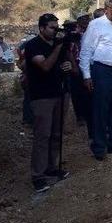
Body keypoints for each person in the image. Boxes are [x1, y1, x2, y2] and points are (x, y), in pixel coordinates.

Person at [80, 0, 112, 161]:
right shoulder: (96, 25)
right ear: (106, 9)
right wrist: (87, 75)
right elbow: (86, 51)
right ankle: (99, 147)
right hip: (103, 71)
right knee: (101, 110)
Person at [25, 13, 72, 193]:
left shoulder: (58, 44)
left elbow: (64, 63)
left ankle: (52, 167)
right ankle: (38, 175)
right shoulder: (33, 45)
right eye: (52, 28)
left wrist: (67, 66)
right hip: (42, 97)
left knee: (56, 134)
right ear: (41, 28)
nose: (55, 31)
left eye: (56, 27)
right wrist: (58, 47)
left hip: (59, 94)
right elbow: (45, 66)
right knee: (42, 136)